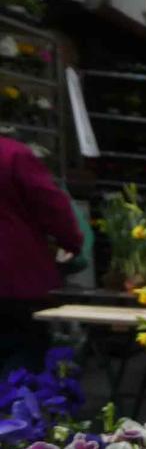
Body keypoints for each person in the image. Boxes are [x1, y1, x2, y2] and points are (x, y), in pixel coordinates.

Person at [0, 136, 82, 373]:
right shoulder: (13, 155)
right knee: (21, 358)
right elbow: (52, 205)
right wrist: (70, 242)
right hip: (15, 280)